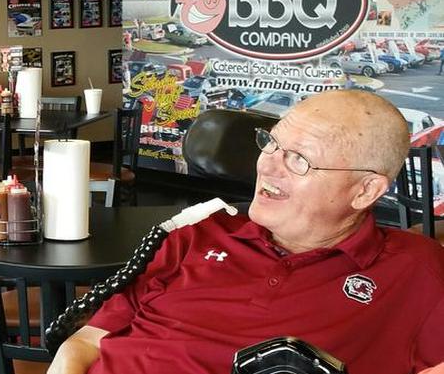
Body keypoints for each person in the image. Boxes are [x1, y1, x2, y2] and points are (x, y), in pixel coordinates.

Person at [49, 89, 444, 374]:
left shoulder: (415, 270)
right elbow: (84, 344)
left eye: (299, 160)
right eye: (271, 144)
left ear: (365, 191)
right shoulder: (196, 235)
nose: (268, 166)